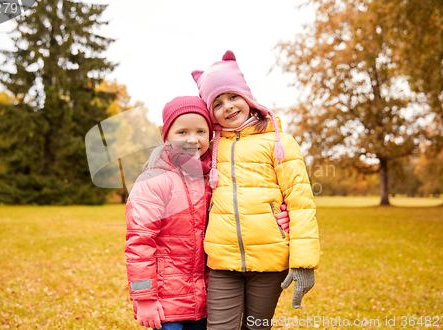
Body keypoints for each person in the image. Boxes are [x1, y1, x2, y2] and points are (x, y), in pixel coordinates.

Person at [125, 96, 292, 330]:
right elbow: (139, 244)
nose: (192, 139)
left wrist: (280, 215)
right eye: (182, 132)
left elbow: (241, 208)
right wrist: (144, 299)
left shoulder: (212, 179)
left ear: (210, 136)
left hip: (204, 302)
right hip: (166, 304)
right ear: (166, 137)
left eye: (200, 132)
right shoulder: (153, 181)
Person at [191, 50, 320, 329]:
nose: (228, 107)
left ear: (247, 97)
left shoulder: (279, 142)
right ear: (210, 113)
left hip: (270, 261)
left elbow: (300, 203)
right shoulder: (209, 147)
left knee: (256, 327)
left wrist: (304, 262)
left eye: (233, 96)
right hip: (222, 261)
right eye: (217, 103)